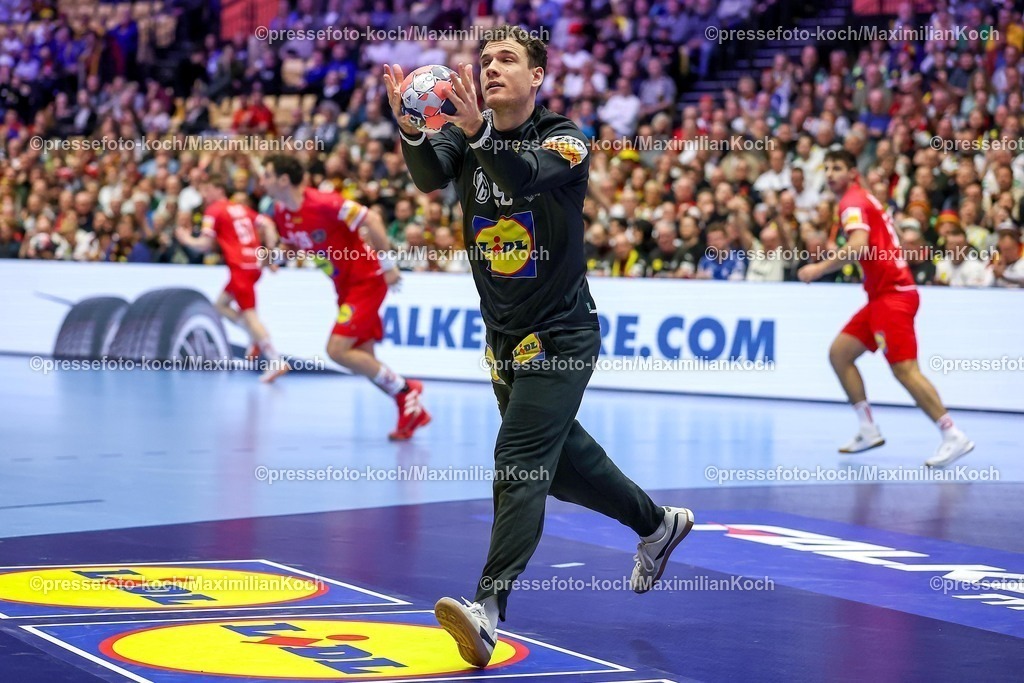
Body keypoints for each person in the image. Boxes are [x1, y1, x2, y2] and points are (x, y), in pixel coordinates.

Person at [383, 24, 693, 668]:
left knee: (518, 459)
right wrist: (414, 130)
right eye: (485, 59)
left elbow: (521, 177)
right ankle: (656, 525)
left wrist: (475, 135)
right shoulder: (462, 134)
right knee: (558, 469)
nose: (490, 68)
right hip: (503, 337)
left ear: (538, 77)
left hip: (562, 333)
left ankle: (487, 609)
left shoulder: (566, 139)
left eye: (506, 60)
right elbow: (425, 179)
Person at [798, 149, 973, 468]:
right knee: (840, 353)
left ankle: (952, 434)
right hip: (880, 297)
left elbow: (859, 246)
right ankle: (867, 428)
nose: (829, 174)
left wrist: (817, 269)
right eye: (826, 168)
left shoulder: (852, 202)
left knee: (904, 370)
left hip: (893, 296)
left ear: (853, 172)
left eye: (837, 167)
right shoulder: (863, 198)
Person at [259, 154, 431, 440]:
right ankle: (411, 410)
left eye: (266, 175)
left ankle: (406, 390)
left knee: (336, 350)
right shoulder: (281, 211)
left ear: (283, 179)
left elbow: (372, 219)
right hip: (344, 287)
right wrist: (273, 256)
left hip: (367, 280)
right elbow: (294, 245)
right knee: (364, 360)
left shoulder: (325, 203)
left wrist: (388, 265)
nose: (262, 181)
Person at [175, 173, 289, 383]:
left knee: (249, 314)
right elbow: (268, 224)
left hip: (240, 267)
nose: (204, 195)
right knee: (220, 305)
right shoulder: (240, 207)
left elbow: (205, 245)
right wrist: (270, 253)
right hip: (253, 264)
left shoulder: (214, 210)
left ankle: (275, 359)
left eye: (207, 190)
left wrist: (186, 239)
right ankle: (255, 338)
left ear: (219, 190)